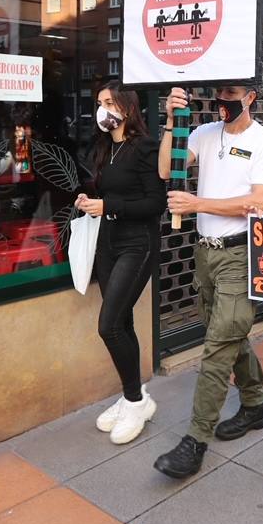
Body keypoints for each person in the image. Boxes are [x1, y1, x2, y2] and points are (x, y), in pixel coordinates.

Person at [153, 82, 263, 479]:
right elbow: (165, 169)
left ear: (251, 98)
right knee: (227, 331)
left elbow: (258, 203)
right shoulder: (203, 133)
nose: (223, 99)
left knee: (217, 343)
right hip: (204, 252)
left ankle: (195, 439)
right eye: (220, 92)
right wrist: (172, 122)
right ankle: (256, 404)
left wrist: (198, 204)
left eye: (232, 92)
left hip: (240, 252)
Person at [77, 82, 164, 444]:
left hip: (137, 243)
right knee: (122, 321)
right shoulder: (103, 148)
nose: (103, 110)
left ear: (127, 108)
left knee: (109, 325)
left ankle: (134, 401)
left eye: (109, 103)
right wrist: (89, 199)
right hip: (108, 243)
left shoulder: (144, 147)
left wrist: (109, 207)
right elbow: (109, 192)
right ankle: (135, 398)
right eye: (99, 103)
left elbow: (155, 204)